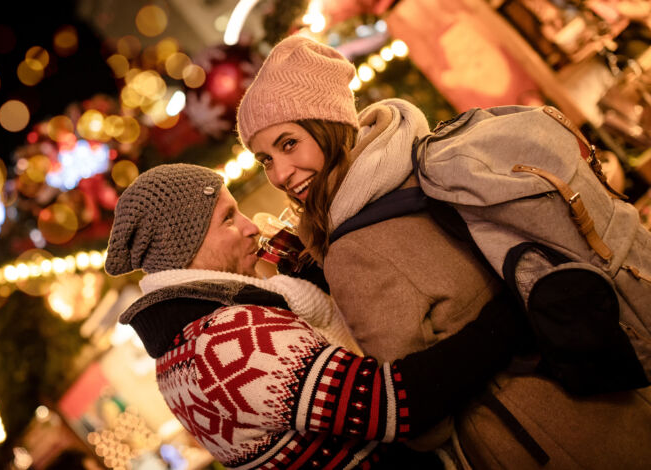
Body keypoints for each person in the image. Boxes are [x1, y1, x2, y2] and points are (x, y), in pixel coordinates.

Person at [236, 35, 651, 469]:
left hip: (541, 435)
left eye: (288, 144)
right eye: (264, 158)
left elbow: (421, 418)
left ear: (328, 125)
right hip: (611, 382)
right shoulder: (424, 166)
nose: (281, 174)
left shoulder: (352, 252)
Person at [104, 163, 526, 469]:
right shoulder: (223, 347)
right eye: (228, 218)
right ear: (184, 250)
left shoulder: (185, 346)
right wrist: (513, 311)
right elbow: (393, 402)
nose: (250, 226)